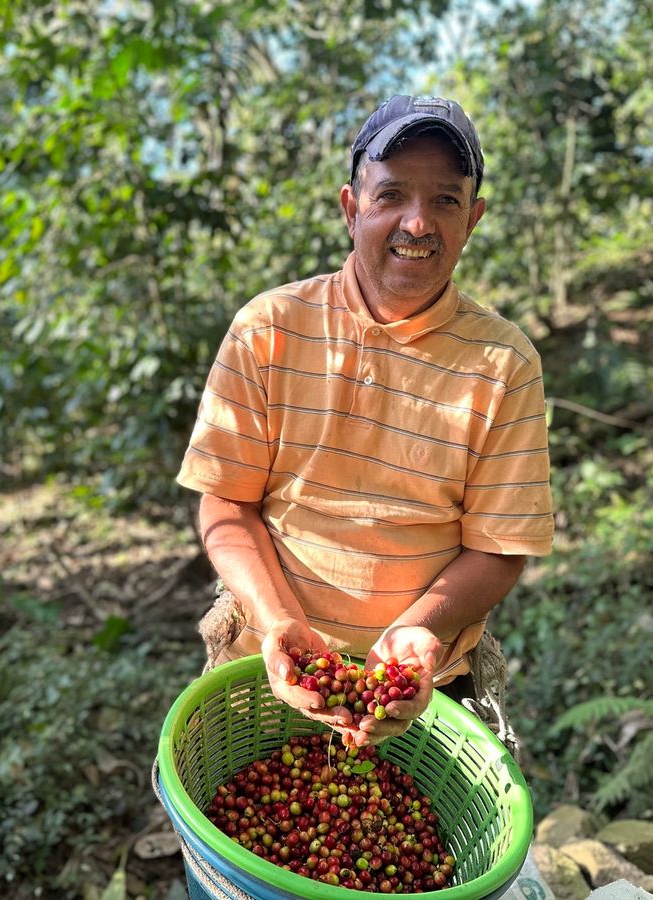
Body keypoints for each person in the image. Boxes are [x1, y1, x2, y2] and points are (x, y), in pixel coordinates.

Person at [177, 95, 554, 748]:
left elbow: (498, 546)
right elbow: (224, 504)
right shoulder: (271, 328)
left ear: (473, 220)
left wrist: (414, 634)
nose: (418, 222)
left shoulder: (503, 361)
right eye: (392, 195)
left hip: (427, 685)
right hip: (260, 668)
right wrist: (278, 625)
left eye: (445, 200)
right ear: (352, 209)